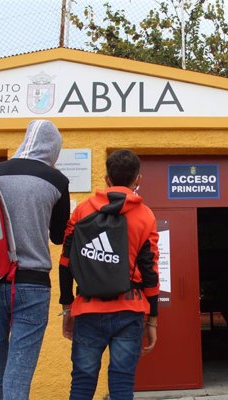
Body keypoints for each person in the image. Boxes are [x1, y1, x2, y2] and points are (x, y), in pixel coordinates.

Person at [0, 119, 70, 400]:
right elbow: (58, 237)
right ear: (54, 149)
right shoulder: (57, 180)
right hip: (32, 286)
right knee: (17, 381)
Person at [59, 149, 159, 400]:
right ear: (138, 179)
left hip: (87, 309)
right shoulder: (145, 215)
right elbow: (150, 271)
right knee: (122, 383)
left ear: (106, 179)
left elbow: (65, 262)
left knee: (82, 382)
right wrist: (153, 319)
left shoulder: (82, 210)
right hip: (129, 310)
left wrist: (67, 306)